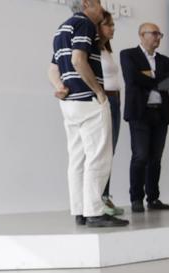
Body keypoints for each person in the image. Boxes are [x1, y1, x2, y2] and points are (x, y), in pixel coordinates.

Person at [47, 0, 128, 228]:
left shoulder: (61, 29)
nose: (102, 9)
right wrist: (99, 91)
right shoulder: (85, 25)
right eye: (99, 4)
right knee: (99, 157)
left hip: (70, 103)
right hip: (88, 100)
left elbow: (53, 68)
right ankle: (94, 211)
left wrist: (59, 87)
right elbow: (78, 59)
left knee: (77, 158)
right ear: (87, 4)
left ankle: (80, 211)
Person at [120, 22, 169, 213]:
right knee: (140, 156)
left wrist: (149, 76)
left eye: (160, 34)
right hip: (139, 113)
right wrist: (157, 78)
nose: (158, 37)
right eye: (154, 33)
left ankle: (153, 198)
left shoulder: (165, 60)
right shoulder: (128, 55)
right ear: (142, 35)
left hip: (160, 113)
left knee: (156, 159)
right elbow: (132, 79)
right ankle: (136, 198)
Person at [97, 10, 123, 216]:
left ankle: (105, 196)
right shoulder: (94, 49)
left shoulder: (107, 50)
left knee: (110, 152)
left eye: (113, 25)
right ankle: (97, 198)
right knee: (102, 151)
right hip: (104, 99)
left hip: (116, 99)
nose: (112, 28)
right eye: (109, 25)